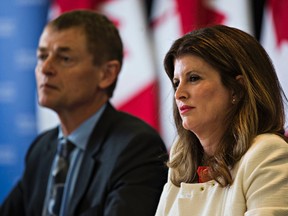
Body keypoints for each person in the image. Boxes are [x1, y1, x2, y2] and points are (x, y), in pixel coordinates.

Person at [0, 10, 168, 216]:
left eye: (65, 58)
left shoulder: (137, 147)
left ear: (106, 74)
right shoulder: (42, 148)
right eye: (42, 56)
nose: (45, 68)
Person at [155, 25, 288, 215]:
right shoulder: (182, 160)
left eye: (193, 78)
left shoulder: (267, 154)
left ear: (236, 89)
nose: (179, 94)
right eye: (176, 83)